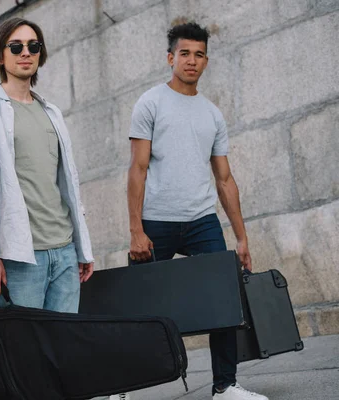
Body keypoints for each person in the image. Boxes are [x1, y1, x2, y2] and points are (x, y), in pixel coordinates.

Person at [126, 23, 268, 400]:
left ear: (206, 60)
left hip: (202, 220)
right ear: (171, 57)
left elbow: (224, 179)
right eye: (185, 53)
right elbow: (137, 169)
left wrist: (241, 237)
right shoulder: (150, 103)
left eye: (199, 54)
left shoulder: (212, 114)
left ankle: (224, 385)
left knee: (224, 299)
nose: (192, 60)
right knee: (136, 306)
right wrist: (136, 229)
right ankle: (119, 387)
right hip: (157, 221)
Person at [0, 17, 94, 312]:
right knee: (22, 352)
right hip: (20, 257)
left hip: (65, 250)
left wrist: (82, 248)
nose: (25, 53)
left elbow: (67, 183)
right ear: (0, 56)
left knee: (63, 350)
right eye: (16, 47)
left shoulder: (51, 112)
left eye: (33, 46)